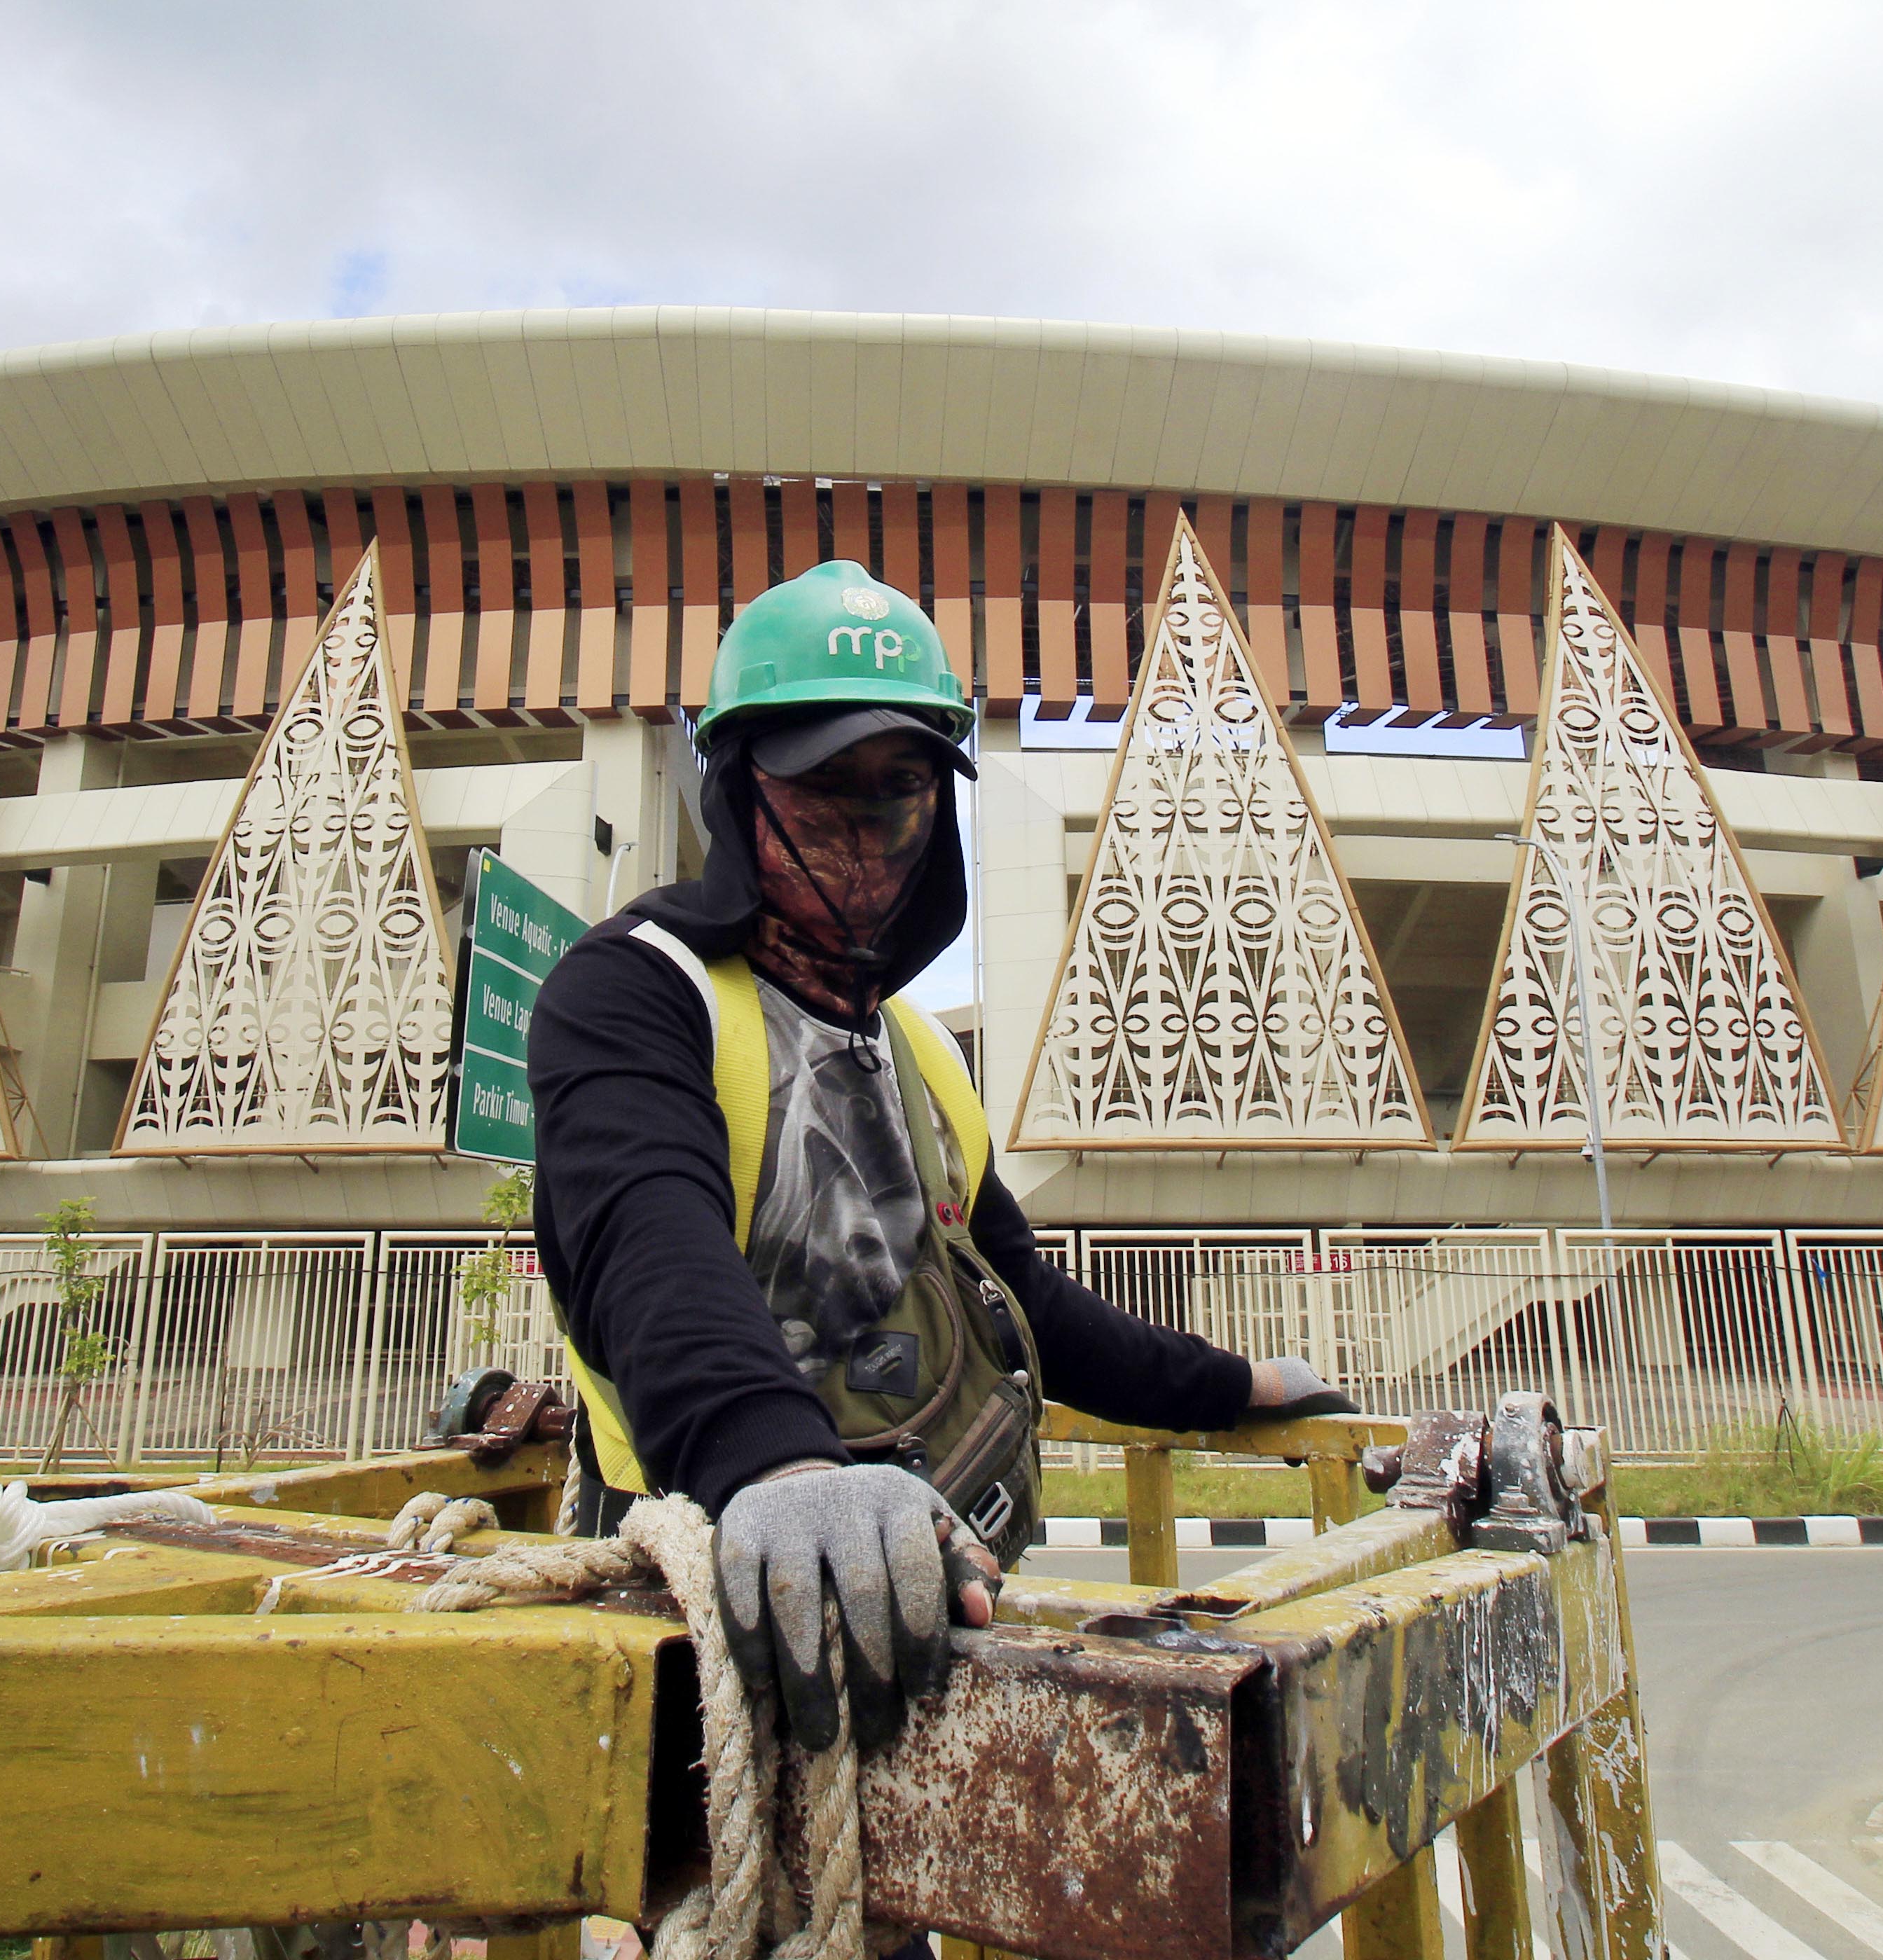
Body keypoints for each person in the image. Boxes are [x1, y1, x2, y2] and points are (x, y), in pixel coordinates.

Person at [528, 559, 1349, 1754]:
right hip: (692, 1606)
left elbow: (1024, 1301)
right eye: (822, 795)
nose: (864, 842)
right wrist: (778, 1468)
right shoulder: (636, 992)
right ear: (738, 795)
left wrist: (1232, 1388)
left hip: (916, 1599)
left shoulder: (917, 1049)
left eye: (899, 795)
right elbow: (646, 1246)